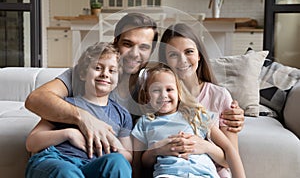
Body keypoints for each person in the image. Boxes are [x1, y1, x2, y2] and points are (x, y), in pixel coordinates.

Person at [25, 12, 158, 159]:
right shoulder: (88, 74)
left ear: (151, 51)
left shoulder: (151, 84)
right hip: (73, 156)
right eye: (127, 44)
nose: (134, 53)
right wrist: (84, 117)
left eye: (144, 47)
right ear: (116, 42)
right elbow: (35, 99)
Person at [25, 42, 133, 178]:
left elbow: (128, 157)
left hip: (93, 166)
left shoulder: (122, 115)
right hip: (57, 160)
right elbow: (32, 142)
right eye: (98, 68)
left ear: (118, 78)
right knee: (67, 172)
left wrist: (114, 143)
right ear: (82, 74)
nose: (105, 74)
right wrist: (68, 134)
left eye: (112, 71)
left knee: (118, 162)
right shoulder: (65, 104)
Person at [158, 23, 245, 177]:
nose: (182, 60)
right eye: (173, 55)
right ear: (165, 60)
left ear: (199, 55)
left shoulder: (219, 96)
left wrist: (204, 146)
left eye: (189, 52)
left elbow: (229, 158)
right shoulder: (160, 96)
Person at [131, 62, 246, 178]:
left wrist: (206, 146)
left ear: (178, 92)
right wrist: (157, 149)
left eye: (169, 89)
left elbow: (228, 150)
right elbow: (139, 164)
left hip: (204, 174)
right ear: (147, 95)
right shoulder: (145, 123)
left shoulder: (195, 115)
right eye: (156, 90)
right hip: (169, 174)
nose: (163, 95)